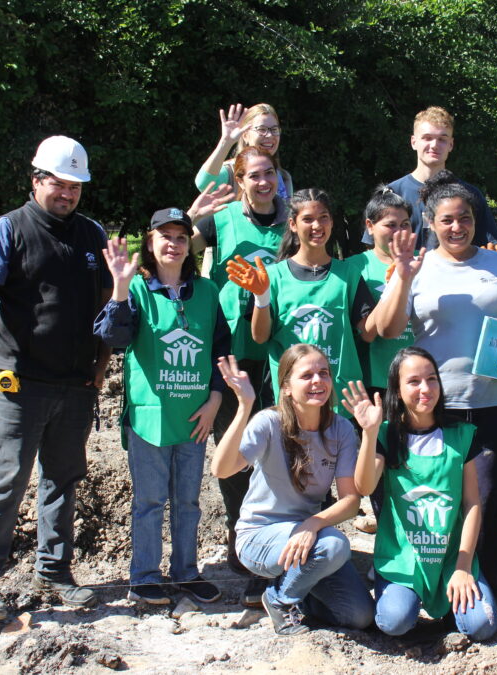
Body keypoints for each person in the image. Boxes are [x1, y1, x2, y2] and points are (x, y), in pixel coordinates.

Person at [0, 135, 110, 620]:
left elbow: (108, 302)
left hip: (75, 381)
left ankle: (54, 572)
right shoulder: (10, 230)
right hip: (17, 379)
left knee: (63, 481)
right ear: (37, 179)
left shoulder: (92, 235)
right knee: (6, 479)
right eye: (59, 184)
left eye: (75, 187)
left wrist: (100, 368)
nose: (67, 194)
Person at [375, 171, 497, 593]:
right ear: (430, 221)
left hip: (493, 401)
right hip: (435, 406)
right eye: (446, 219)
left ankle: (481, 588)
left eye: (465, 217)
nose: (457, 227)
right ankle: (432, 581)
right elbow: (390, 330)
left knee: (487, 498)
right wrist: (404, 278)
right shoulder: (415, 267)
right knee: (438, 499)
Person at [94, 205, 233, 605]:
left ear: (190, 245)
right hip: (150, 418)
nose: (173, 244)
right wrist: (120, 290)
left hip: (195, 417)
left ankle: (186, 572)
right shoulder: (136, 289)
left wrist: (215, 398)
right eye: (164, 236)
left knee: (188, 501)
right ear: (150, 243)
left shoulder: (206, 292)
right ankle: (145, 576)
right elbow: (113, 338)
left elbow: (219, 349)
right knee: (150, 501)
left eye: (180, 237)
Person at [212, 348, 374, 636]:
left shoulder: (341, 429)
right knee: (335, 546)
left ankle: (301, 593)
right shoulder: (268, 422)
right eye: (307, 375)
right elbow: (221, 469)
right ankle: (279, 598)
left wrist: (312, 524)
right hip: (260, 537)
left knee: (359, 616)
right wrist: (244, 405)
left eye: (323, 373)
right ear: (286, 387)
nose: (318, 381)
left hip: (308, 538)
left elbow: (351, 502)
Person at [191, 146, 289, 607]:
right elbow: (181, 244)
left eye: (270, 173)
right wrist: (193, 216)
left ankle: (277, 546)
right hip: (232, 349)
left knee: (279, 451)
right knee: (235, 452)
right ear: (240, 179)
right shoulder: (223, 219)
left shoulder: (293, 220)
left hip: (277, 352)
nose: (264, 181)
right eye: (254, 175)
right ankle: (244, 544)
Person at [352, 347, 497, 640]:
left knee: (482, 626)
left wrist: (463, 566)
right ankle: (393, 592)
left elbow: (472, 504)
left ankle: (449, 606)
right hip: (402, 559)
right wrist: (368, 434)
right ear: (396, 388)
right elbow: (364, 487)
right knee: (394, 622)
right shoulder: (385, 433)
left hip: (449, 559)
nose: (425, 389)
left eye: (432, 379)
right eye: (414, 381)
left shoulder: (461, 434)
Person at [229, 189, 376, 414]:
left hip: (339, 401)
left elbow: (368, 332)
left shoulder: (349, 274)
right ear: (293, 224)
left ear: (332, 222)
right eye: (307, 219)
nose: (317, 226)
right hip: (289, 401)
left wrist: (398, 284)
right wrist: (261, 296)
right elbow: (259, 337)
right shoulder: (272, 276)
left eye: (323, 218)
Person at [367, 106, 497, 250]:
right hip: (404, 272)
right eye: (427, 138)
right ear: (413, 142)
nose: (434, 145)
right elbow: (375, 251)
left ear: (451, 144)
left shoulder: (470, 194)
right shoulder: (391, 193)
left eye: (442, 139)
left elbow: (490, 247)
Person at [345, 186, 416, 398]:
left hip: (417, 377)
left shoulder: (423, 264)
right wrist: (395, 284)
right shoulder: (354, 267)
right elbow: (364, 332)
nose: (400, 232)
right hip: (373, 380)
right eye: (390, 225)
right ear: (370, 226)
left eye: (405, 225)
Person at [193, 103, 293, 200]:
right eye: (262, 129)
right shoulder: (229, 171)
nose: (270, 135)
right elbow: (204, 184)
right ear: (245, 135)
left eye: (274, 129)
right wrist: (225, 143)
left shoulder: (284, 176)